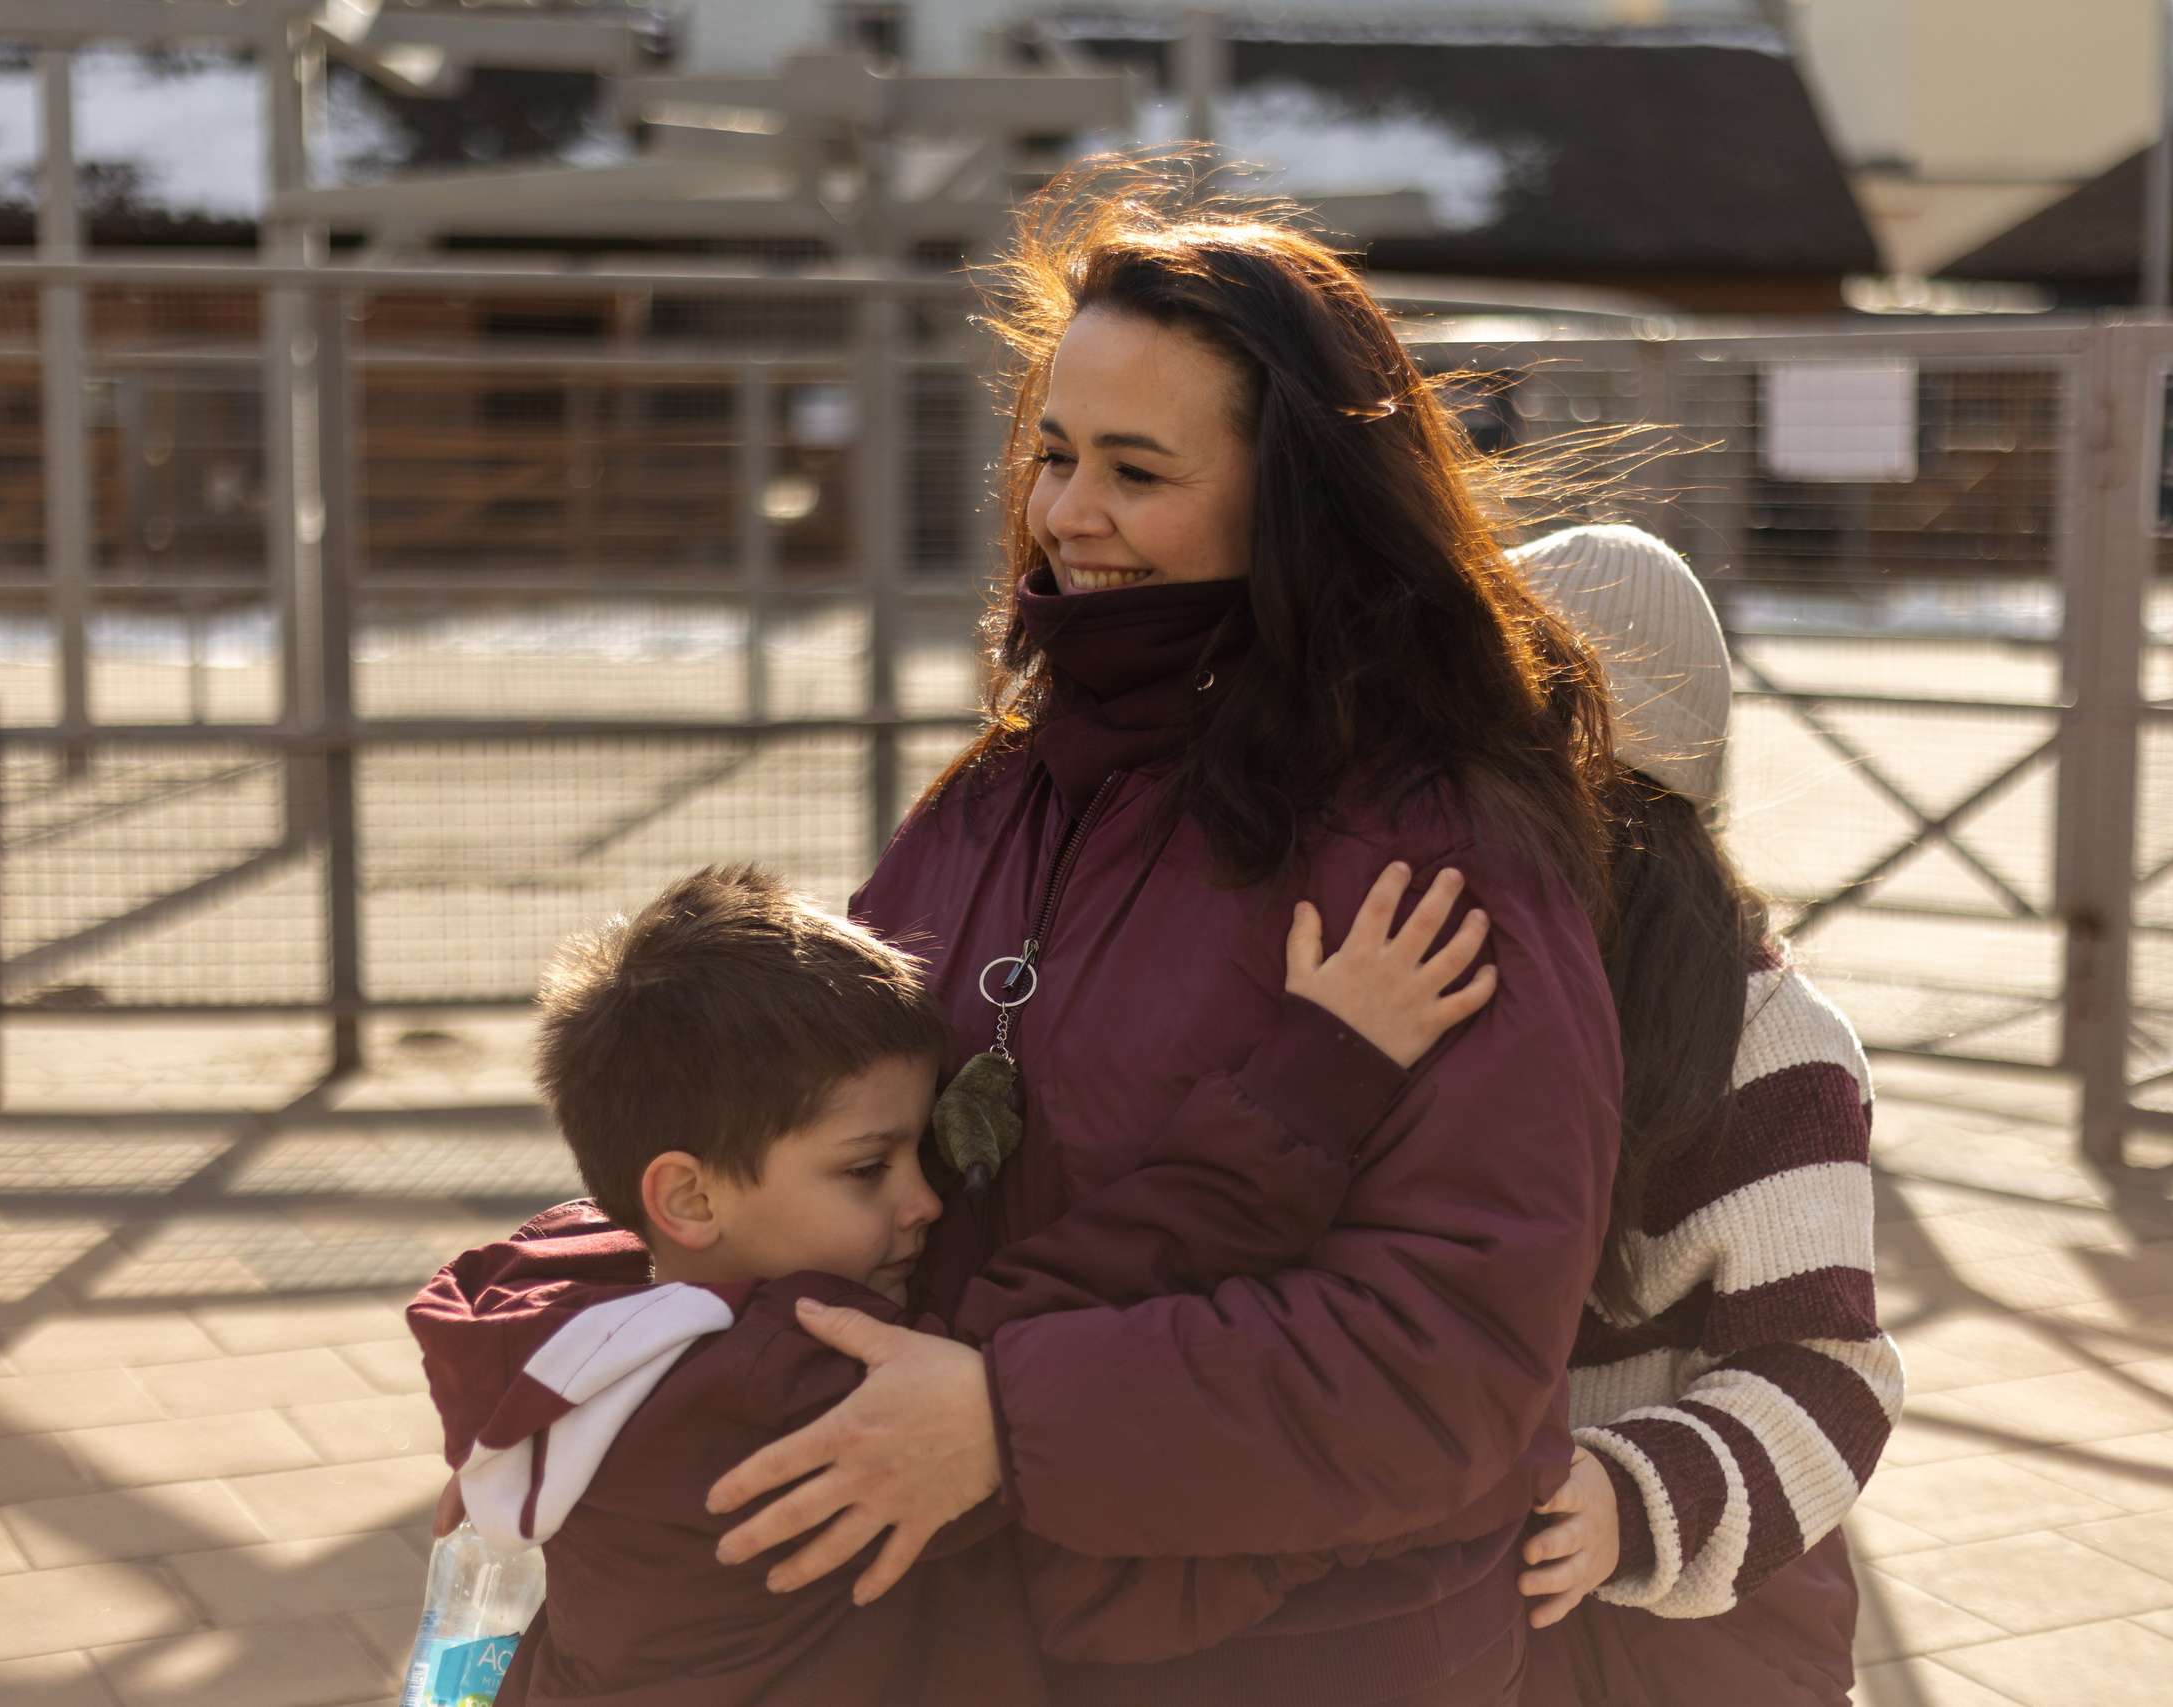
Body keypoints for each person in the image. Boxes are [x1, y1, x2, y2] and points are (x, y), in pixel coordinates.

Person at [699, 159, 1623, 1707]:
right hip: (990, 1613)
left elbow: (1449, 1355)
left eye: (1138, 469)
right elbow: (798, 1140)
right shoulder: (1004, 785)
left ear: (1298, 499)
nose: (1066, 516)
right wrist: (589, 1376)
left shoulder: (1428, 836)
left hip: (1303, 1648)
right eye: (1054, 454)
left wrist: (1012, 1419)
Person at [409, 858, 1500, 1706]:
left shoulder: (570, 1321)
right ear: (688, 1200)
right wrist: (1325, 1067)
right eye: (864, 1168)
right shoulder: (781, 1393)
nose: (924, 1202)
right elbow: (1091, 1280)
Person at [1508, 526, 1904, 1706]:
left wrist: (1626, 1500)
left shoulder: (1770, 1044)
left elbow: (1824, 1374)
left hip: (1696, 1618)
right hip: (1491, 1590)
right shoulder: (1462, 979)